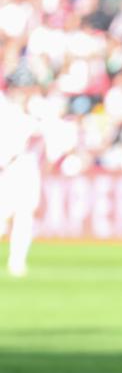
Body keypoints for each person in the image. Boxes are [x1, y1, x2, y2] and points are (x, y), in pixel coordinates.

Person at [0, 90, 41, 278]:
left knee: (24, 216)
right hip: (8, 170)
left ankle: (17, 262)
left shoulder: (34, 111)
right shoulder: (9, 112)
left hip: (25, 167)